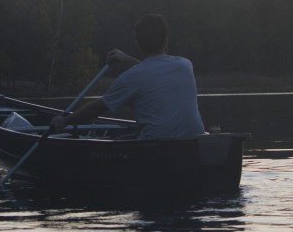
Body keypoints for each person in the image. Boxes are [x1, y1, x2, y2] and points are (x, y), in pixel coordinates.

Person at [49, 13, 205, 139]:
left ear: (138, 43)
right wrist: (127, 59)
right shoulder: (185, 65)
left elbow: (95, 110)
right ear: (166, 40)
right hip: (193, 143)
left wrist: (65, 120)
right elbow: (153, 70)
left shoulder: (131, 78)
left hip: (156, 147)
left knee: (109, 140)